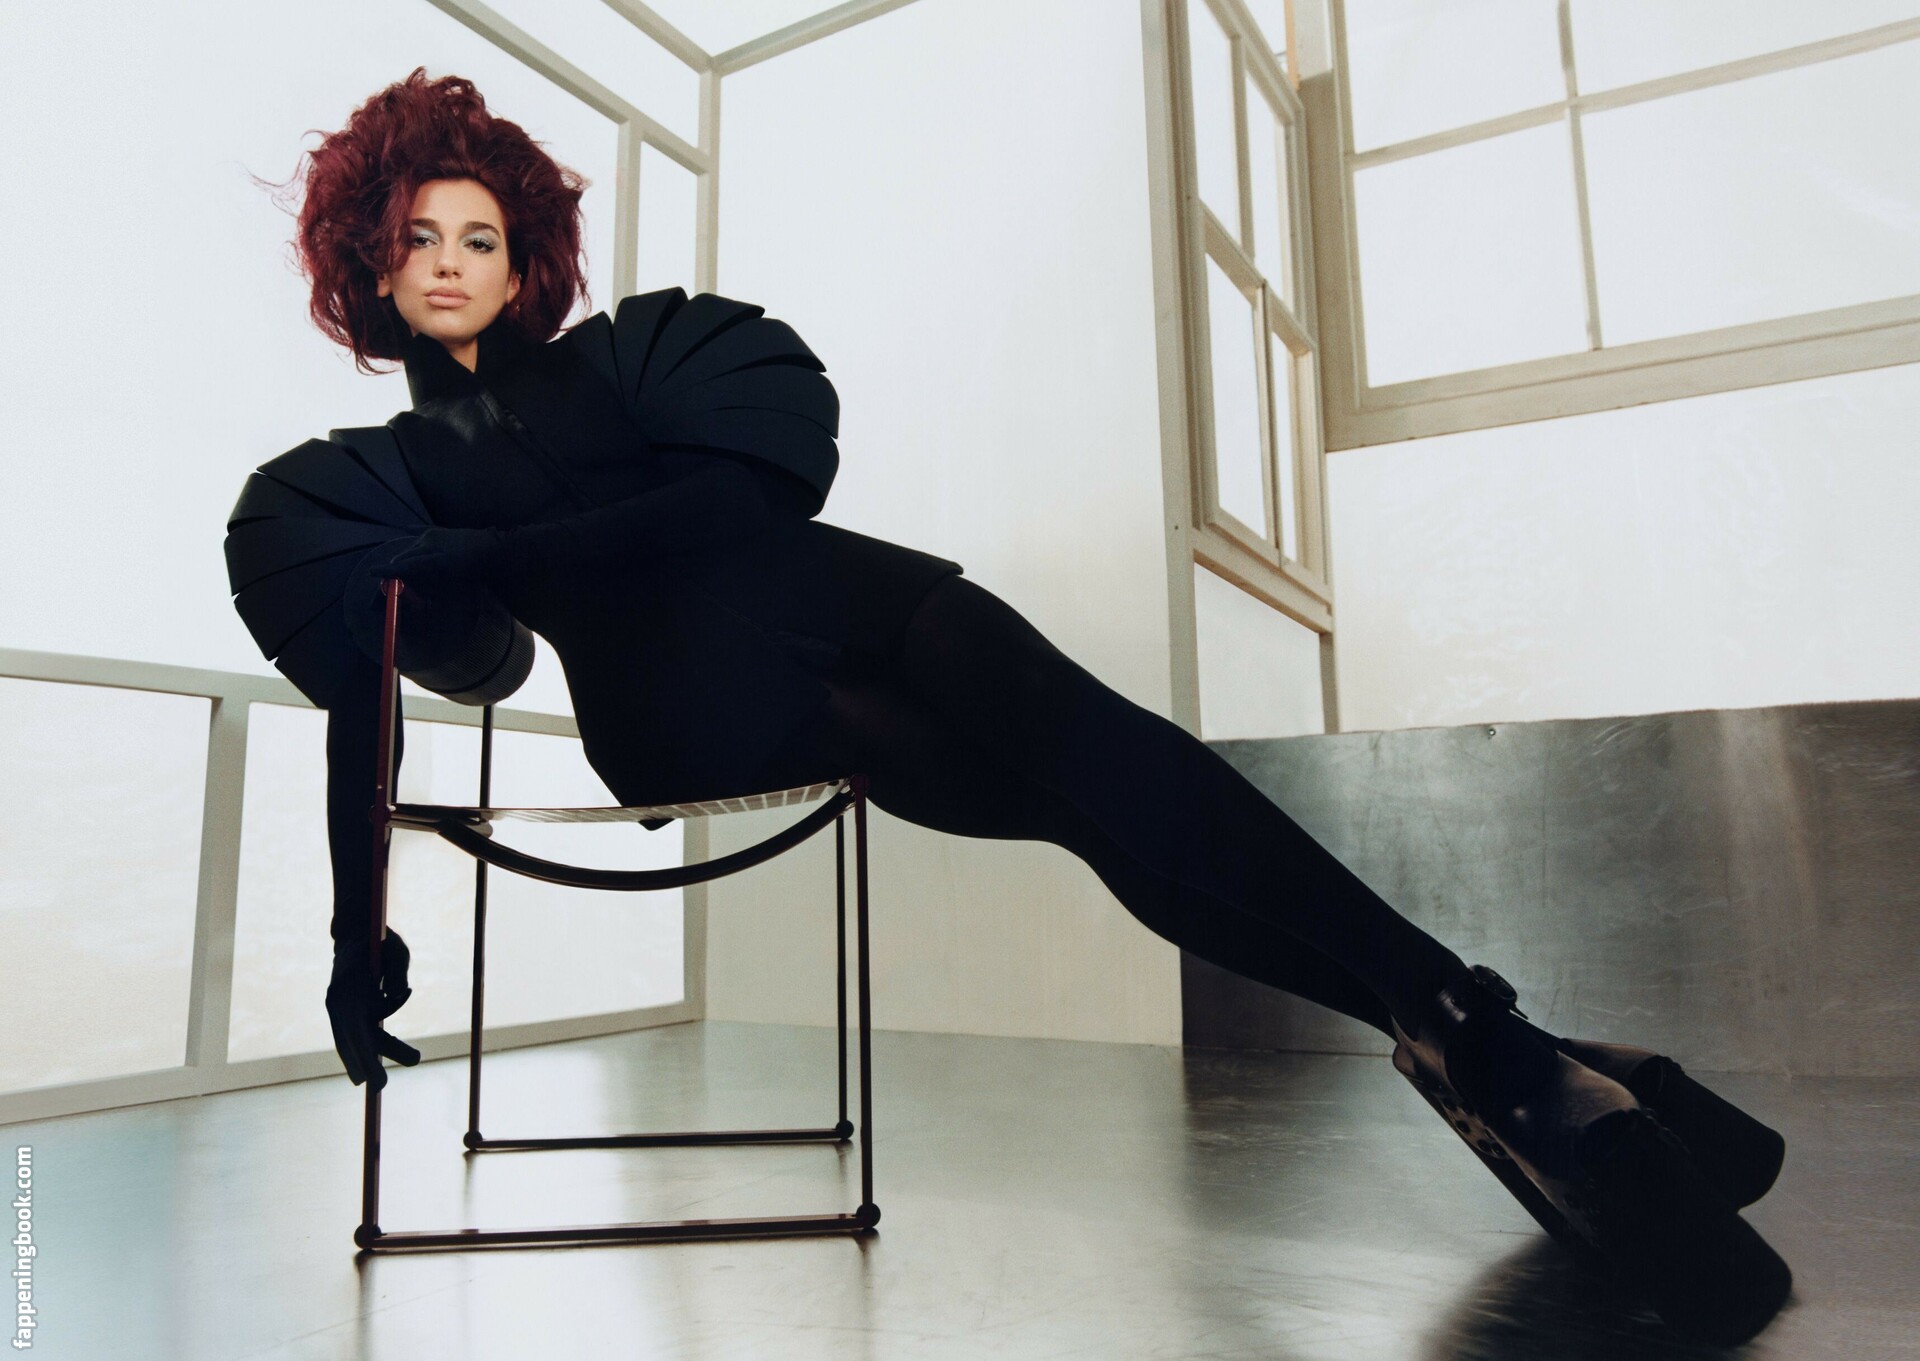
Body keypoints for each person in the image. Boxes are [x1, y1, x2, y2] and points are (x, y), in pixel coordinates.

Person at [260, 68, 1789, 1342]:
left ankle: (1466, 1025)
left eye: (480, 233)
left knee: (1099, 772)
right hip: (695, 708)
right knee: (1089, 797)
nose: (450, 260)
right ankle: (1489, 1035)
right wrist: (351, 928)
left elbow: (736, 505)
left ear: (525, 255)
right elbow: (366, 677)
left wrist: (495, 554)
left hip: (833, 590)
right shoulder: (383, 478)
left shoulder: (623, 358)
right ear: (368, 268)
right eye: (417, 238)